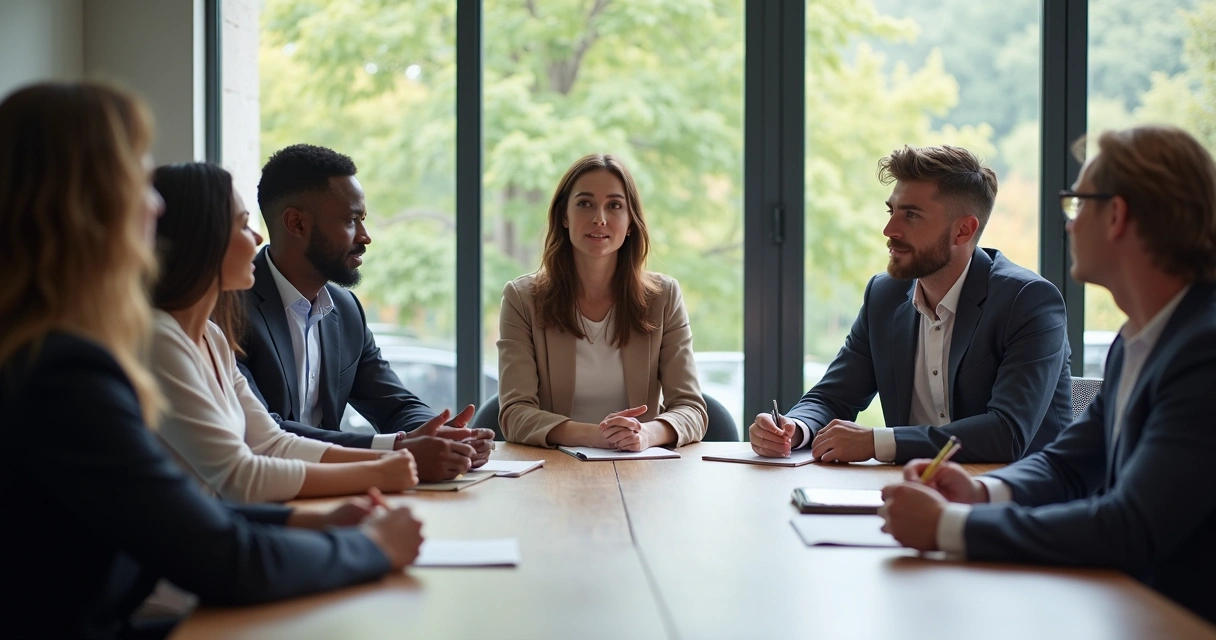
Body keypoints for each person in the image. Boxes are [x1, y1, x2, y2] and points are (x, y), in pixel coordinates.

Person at [0, 81, 423, 640]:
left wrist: (315, 519)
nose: (154, 203)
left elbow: (184, 511)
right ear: (80, 207)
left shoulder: (56, 352)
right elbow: (224, 555)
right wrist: (368, 546)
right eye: (135, 178)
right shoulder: (64, 373)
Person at [879, 126, 1216, 624]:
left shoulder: (1203, 352)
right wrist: (980, 492)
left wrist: (952, 527)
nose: (1070, 225)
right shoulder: (1136, 342)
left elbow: (1130, 525)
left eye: (1077, 205)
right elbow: (1067, 465)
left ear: (1117, 215)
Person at [749, 144, 1072, 464]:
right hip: (913, 490)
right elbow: (833, 396)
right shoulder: (884, 295)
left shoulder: (1027, 300)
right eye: (892, 211)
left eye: (912, 215)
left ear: (963, 230)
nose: (889, 230)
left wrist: (878, 442)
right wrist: (796, 427)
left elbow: (1007, 433)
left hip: (1019, 499)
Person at [149, 162, 421, 503]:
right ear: (202, 241)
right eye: (243, 224)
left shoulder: (213, 336)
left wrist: (402, 454)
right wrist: (383, 468)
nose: (259, 236)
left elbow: (271, 443)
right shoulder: (162, 339)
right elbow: (240, 475)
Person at [239, 144, 493, 482]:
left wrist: (443, 435)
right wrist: (396, 448)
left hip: (339, 492)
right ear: (296, 224)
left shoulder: (345, 310)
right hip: (268, 497)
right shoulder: (229, 308)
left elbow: (394, 404)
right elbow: (268, 434)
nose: (365, 237)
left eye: (363, 220)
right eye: (350, 220)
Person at [497, 153, 707, 449]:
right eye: (585, 203)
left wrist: (645, 434)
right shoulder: (522, 299)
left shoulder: (664, 297)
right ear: (564, 216)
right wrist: (599, 436)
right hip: (554, 469)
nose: (599, 218)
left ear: (631, 222)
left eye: (614, 205)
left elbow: (691, 409)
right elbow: (515, 414)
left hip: (640, 467)